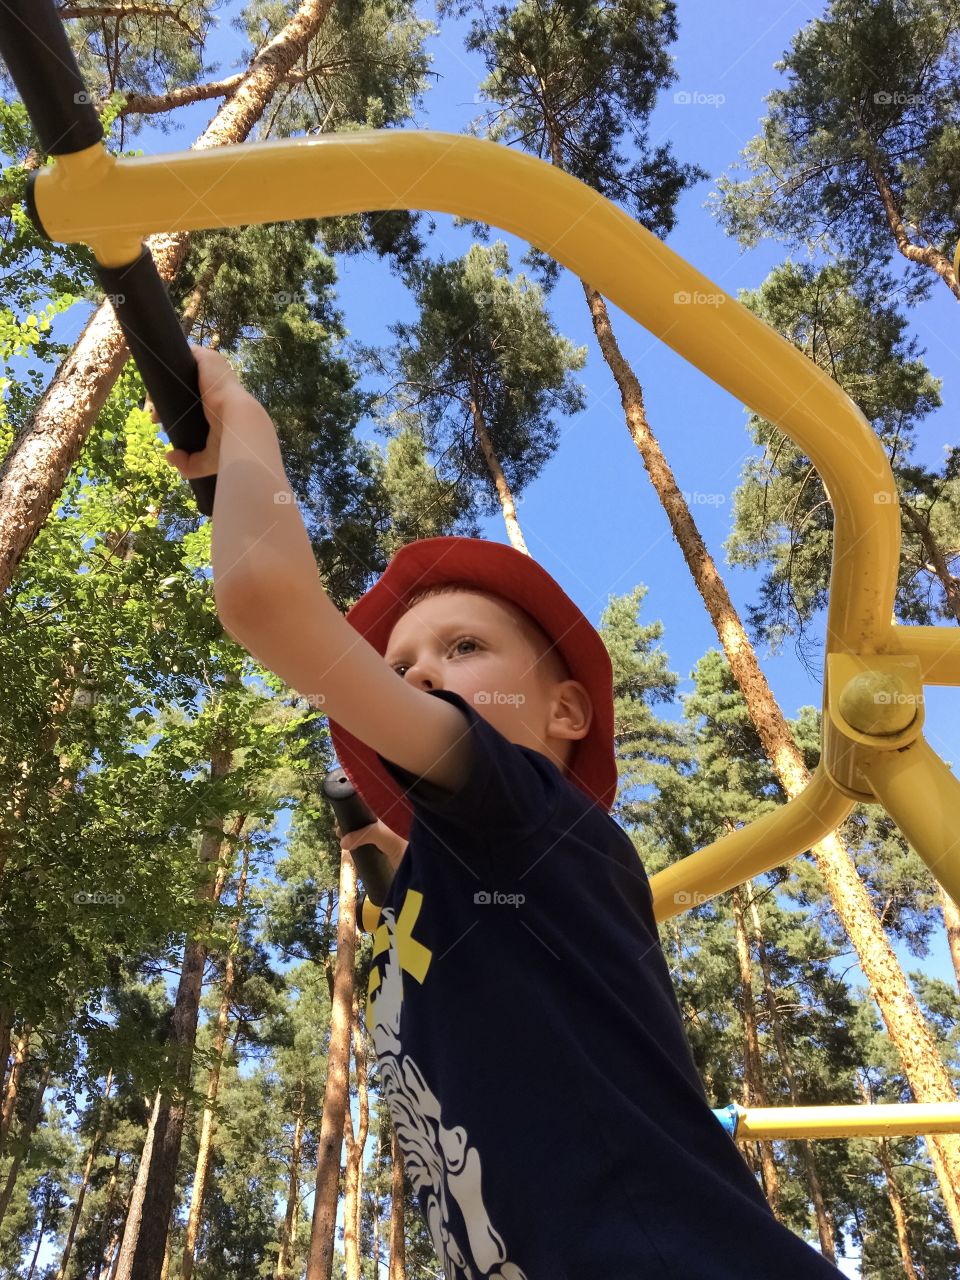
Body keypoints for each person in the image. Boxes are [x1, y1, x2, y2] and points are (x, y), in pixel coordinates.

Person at [160, 345, 844, 1279]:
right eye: (397, 670)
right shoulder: (460, 880)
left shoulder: (534, 816)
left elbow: (262, 598)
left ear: (566, 711)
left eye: (464, 646)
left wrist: (244, 416)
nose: (421, 672)